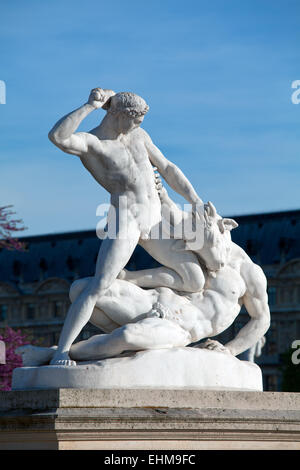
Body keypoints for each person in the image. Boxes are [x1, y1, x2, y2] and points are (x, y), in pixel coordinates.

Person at [48, 88, 204, 365]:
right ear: (118, 114)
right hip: (127, 220)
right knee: (98, 286)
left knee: (194, 279)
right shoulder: (94, 143)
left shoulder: (139, 136)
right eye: (135, 119)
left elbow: (167, 168)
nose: (139, 125)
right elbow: (58, 137)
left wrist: (194, 199)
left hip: (155, 218)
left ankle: (130, 282)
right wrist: (90, 106)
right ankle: (62, 350)